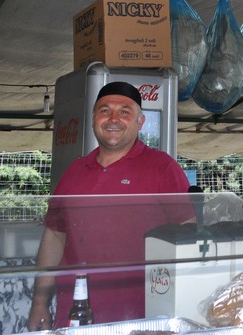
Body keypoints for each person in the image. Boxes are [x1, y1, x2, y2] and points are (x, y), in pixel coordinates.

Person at [27, 81, 192, 330]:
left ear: (140, 122)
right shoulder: (73, 171)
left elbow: (188, 233)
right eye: (104, 110)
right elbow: (54, 237)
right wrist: (39, 302)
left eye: (125, 111)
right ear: (93, 118)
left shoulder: (162, 167)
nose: (113, 118)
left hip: (144, 316)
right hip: (77, 313)